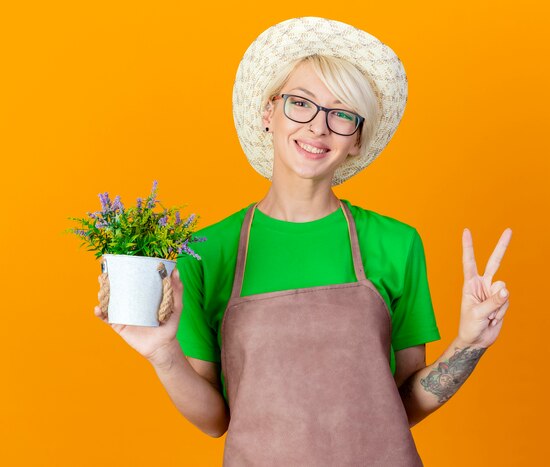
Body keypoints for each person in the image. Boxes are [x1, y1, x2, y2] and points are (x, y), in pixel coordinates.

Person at [94, 17, 512, 466]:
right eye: (301, 103)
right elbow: (214, 420)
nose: (318, 127)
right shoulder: (207, 250)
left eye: (342, 113)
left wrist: (469, 344)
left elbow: (403, 405)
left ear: (356, 139)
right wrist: (162, 354)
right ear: (268, 114)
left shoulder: (396, 242)